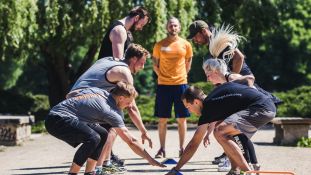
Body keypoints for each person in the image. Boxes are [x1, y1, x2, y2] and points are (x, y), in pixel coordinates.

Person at [166, 58, 276, 175]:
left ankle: (248, 172)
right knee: (223, 130)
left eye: (188, 107)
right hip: (264, 106)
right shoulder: (215, 100)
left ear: (196, 102)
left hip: (261, 108)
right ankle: (235, 170)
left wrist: (176, 169)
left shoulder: (209, 105)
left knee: (219, 131)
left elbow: (194, 143)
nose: (189, 111)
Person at [46, 82, 165, 175]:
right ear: (121, 98)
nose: (129, 106)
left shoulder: (100, 92)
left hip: (58, 114)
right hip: (57, 121)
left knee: (103, 134)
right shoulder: (109, 111)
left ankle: (90, 172)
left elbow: (70, 94)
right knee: (93, 138)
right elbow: (131, 141)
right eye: (129, 102)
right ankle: (73, 173)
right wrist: (150, 159)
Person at [67, 43, 152, 173]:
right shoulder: (125, 73)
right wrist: (143, 131)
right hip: (82, 99)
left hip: (74, 98)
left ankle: (100, 166)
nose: (143, 67)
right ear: (133, 59)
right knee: (114, 125)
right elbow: (131, 107)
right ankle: (99, 168)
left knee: (108, 126)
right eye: (142, 62)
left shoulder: (109, 60)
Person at [152, 17, 193, 158]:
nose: (173, 28)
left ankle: (182, 149)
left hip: (181, 85)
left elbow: (188, 63)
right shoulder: (159, 45)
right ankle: (162, 149)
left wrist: (181, 76)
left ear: (179, 27)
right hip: (163, 86)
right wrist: (163, 76)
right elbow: (154, 65)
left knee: (182, 119)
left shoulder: (186, 44)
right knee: (162, 119)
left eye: (175, 25)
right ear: (166, 27)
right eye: (170, 25)